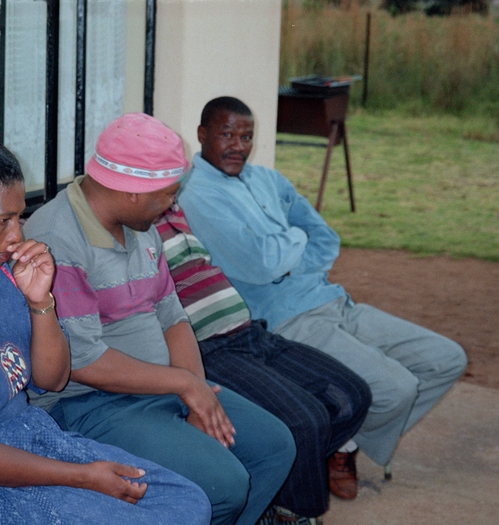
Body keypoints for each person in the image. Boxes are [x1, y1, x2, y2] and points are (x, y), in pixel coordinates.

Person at [0, 136, 211, 525]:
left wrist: (39, 300)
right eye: (3, 221)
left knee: (186, 502)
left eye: (18, 218)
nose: (17, 235)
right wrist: (84, 477)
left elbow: (52, 378)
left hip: (36, 442)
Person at [23, 113, 296, 525]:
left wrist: (196, 396)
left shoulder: (140, 224)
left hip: (161, 385)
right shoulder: (58, 237)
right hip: (90, 405)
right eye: (168, 194)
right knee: (223, 485)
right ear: (134, 191)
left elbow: (172, 316)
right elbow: (81, 361)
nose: (173, 203)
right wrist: (186, 384)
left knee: (275, 446)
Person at [177, 96, 467, 473]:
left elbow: (326, 237)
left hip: (330, 298)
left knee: (447, 359)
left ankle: (342, 441)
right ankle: (340, 444)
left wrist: (293, 263)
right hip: (287, 318)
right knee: (397, 389)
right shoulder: (196, 192)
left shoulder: (266, 179)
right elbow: (261, 262)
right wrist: (295, 239)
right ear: (202, 135)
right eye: (227, 134)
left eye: (246, 137)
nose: (238, 146)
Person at [156, 203, 371, 524]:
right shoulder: (134, 223)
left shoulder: (174, 210)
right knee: (304, 422)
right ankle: (289, 513)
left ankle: (289, 479)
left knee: (351, 395)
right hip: (209, 349)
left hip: (250, 332)